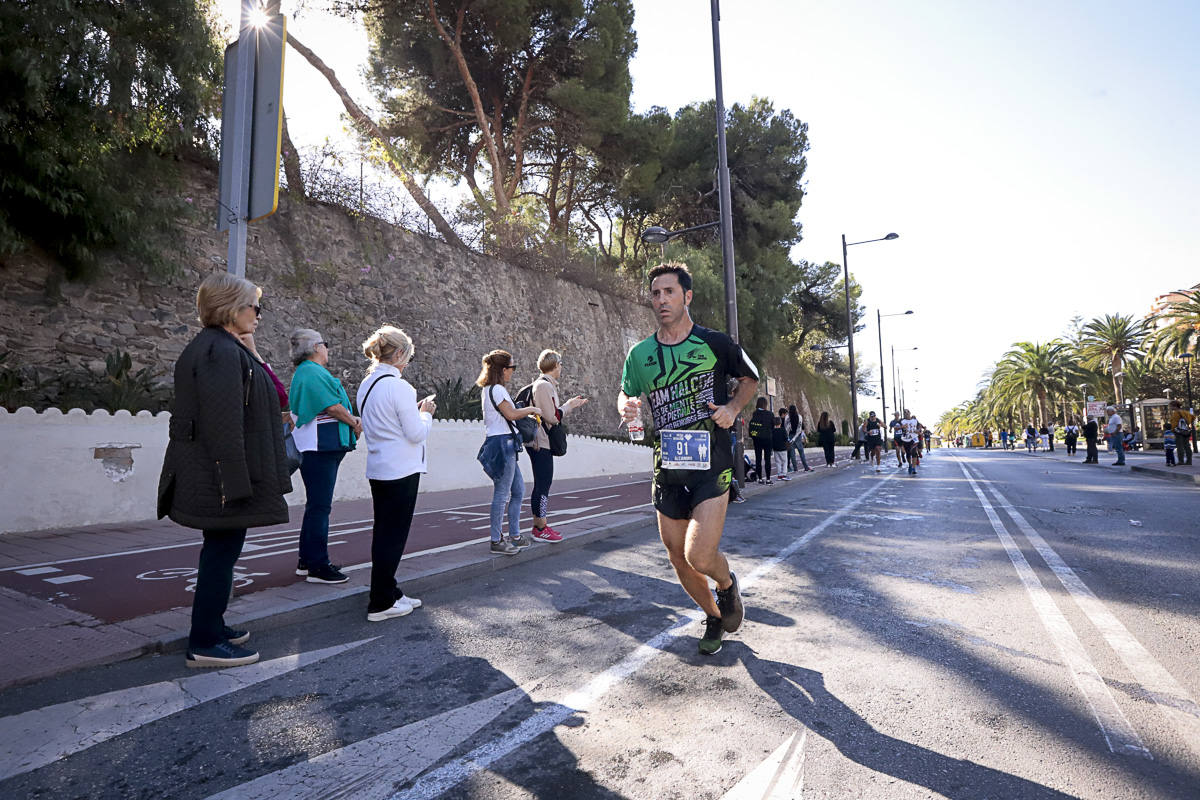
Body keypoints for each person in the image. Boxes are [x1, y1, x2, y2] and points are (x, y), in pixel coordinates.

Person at [617, 262, 757, 656]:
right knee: (679, 558)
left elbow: (751, 379)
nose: (661, 300)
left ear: (687, 296)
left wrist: (731, 408)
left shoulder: (715, 343)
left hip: (712, 462)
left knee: (699, 554)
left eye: (669, 292)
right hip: (668, 466)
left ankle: (727, 584)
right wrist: (628, 407)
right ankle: (714, 614)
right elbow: (627, 392)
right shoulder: (640, 354)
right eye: (656, 293)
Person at [158, 273, 291, 668]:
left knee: (222, 551)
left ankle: (213, 625)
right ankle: (204, 642)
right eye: (255, 307)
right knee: (220, 553)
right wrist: (234, 483)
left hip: (217, 473)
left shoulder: (220, 347)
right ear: (232, 308)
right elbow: (223, 423)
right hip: (221, 477)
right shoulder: (219, 353)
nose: (259, 315)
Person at [356, 325, 435, 623]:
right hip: (401, 469)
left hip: (379, 467)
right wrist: (426, 413)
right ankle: (380, 601)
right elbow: (415, 433)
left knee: (384, 532)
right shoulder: (401, 387)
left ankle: (389, 590)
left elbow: (384, 422)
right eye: (408, 357)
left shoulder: (367, 384)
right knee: (393, 536)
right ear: (400, 354)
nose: (407, 363)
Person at [289, 328, 361, 585]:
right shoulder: (311, 372)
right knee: (320, 507)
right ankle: (318, 566)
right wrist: (354, 422)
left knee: (316, 506)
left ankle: (307, 559)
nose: (327, 349)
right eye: (325, 344)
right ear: (316, 347)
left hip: (321, 447)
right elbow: (331, 406)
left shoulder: (308, 372)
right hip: (320, 447)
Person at [478, 349, 542, 555]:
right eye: (512, 368)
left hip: (503, 443)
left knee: (518, 491)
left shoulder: (490, 389)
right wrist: (532, 410)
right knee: (502, 493)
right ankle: (497, 540)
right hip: (502, 444)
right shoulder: (497, 389)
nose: (513, 372)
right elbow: (511, 414)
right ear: (503, 369)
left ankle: (514, 535)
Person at [525, 349, 588, 542]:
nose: (561, 368)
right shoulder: (544, 386)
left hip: (541, 441)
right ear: (555, 365)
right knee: (543, 484)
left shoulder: (545, 385)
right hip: (540, 442)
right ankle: (540, 527)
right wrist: (569, 405)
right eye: (560, 365)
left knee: (543, 483)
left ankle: (540, 524)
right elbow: (551, 416)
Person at [748, 397, 775, 484]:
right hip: (768, 439)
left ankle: (759, 478)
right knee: (767, 459)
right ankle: (768, 479)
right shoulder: (770, 414)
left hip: (757, 439)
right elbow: (772, 426)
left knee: (758, 459)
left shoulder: (755, 414)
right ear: (765, 404)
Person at [787, 404, 813, 472]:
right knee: (801, 452)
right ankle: (806, 467)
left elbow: (786, 429)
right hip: (798, 436)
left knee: (792, 454)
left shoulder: (788, 418)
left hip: (790, 436)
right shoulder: (799, 417)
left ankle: (795, 468)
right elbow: (802, 427)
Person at [1168, 400, 1194, 466]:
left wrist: (1173, 429)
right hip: (1186, 431)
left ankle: (1181, 461)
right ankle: (1189, 461)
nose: (1170, 407)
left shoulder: (1176, 413)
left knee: (1180, 447)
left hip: (1179, 432)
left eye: (1171, 406)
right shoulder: (1185, 412)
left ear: (1175, 406)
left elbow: (1174, 424)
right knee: (1187, 446)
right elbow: (1193, 417)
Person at [900, 409, 921, 475]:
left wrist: (918, 431)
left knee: (914, 452)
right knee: (908, 454)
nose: (906, 414)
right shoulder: (902, 421)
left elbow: (919, 428)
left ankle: (914, 468)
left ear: (910, 413)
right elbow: (897, 428)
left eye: (907, 412)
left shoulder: (915, 420)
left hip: (914, 438)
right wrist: (902, 427)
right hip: (906, 439)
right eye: (905, 413)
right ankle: (910, 464)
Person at [771, 415, 790, 480]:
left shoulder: (772, 431)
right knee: (784, 461)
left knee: (778, 462)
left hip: (775, 449)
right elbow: (786, 439)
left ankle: (779, 475)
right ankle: (784, 474)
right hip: (783, 449)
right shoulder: (783, 430)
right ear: (780, 423)